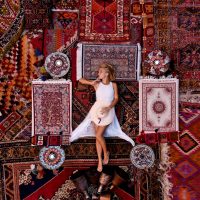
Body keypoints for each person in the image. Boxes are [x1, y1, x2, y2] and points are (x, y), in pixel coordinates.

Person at [70, 63, 135, 172]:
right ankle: (100, 160)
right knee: (98, 136)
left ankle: (106, 153)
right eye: (98, 71)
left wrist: (109, 108)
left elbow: (116, 99)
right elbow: (80, 80)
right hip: (96, 110)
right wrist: (91, 82)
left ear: (106, 73)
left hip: (108, 110)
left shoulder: (113, 85)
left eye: (100, 72)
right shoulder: (97, 84)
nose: (98, 73)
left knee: (99, 135)